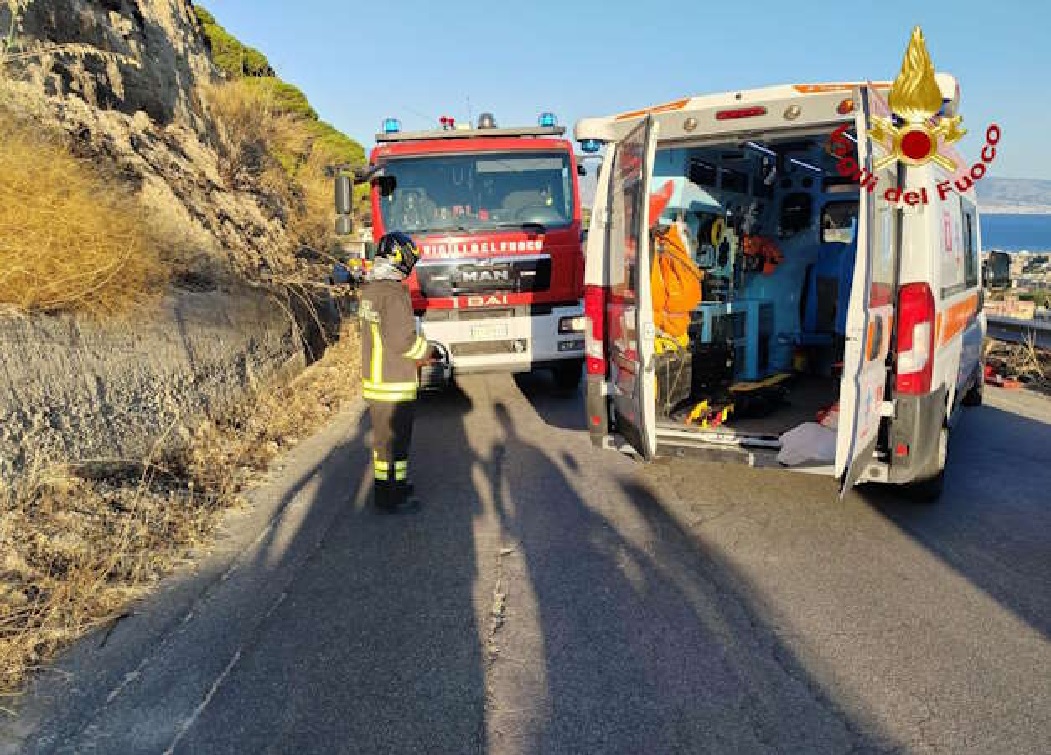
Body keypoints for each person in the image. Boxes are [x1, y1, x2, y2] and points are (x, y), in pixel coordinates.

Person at [358, 231, 433, 513]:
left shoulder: (371, 291)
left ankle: (388, 488)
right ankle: (393, 496)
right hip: (394, 382)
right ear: (400, 259)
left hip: (377, 380)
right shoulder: (393, 295)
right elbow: (403, 341)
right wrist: (428, 351)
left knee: (384, 443)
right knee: (396, 444)